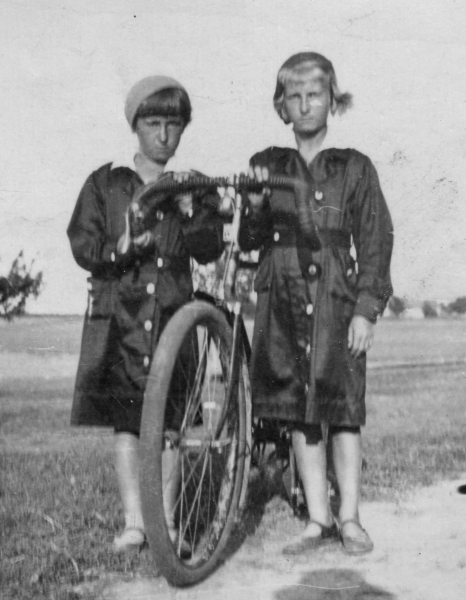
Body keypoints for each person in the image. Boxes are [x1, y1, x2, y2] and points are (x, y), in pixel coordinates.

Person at [239, 52, 394, 556]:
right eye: (295, 97)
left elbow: (375, 242)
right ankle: (318, 519)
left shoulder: (354, 167)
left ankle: (349, 517)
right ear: (282, 107)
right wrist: (256, 207)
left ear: (333, 101)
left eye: (316, 95)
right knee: (300, 413)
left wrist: (366, 310)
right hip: (281, 297)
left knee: (343, 411)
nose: (306, 105)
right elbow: (249, 238)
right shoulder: (268, 164)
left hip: (335, 298)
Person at [67, 76, 224, 552]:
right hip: (122, 320)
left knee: (171, 426)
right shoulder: (107, 182)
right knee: (127, 424)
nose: (163, 135)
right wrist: (121, 248)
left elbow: (209, 248)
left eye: (173, 125)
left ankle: (169, 525)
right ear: (134, 125)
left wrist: (192, 209)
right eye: (153, 123)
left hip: (174, 317)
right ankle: (136, 521)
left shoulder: (194, 186)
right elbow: (82, 243)